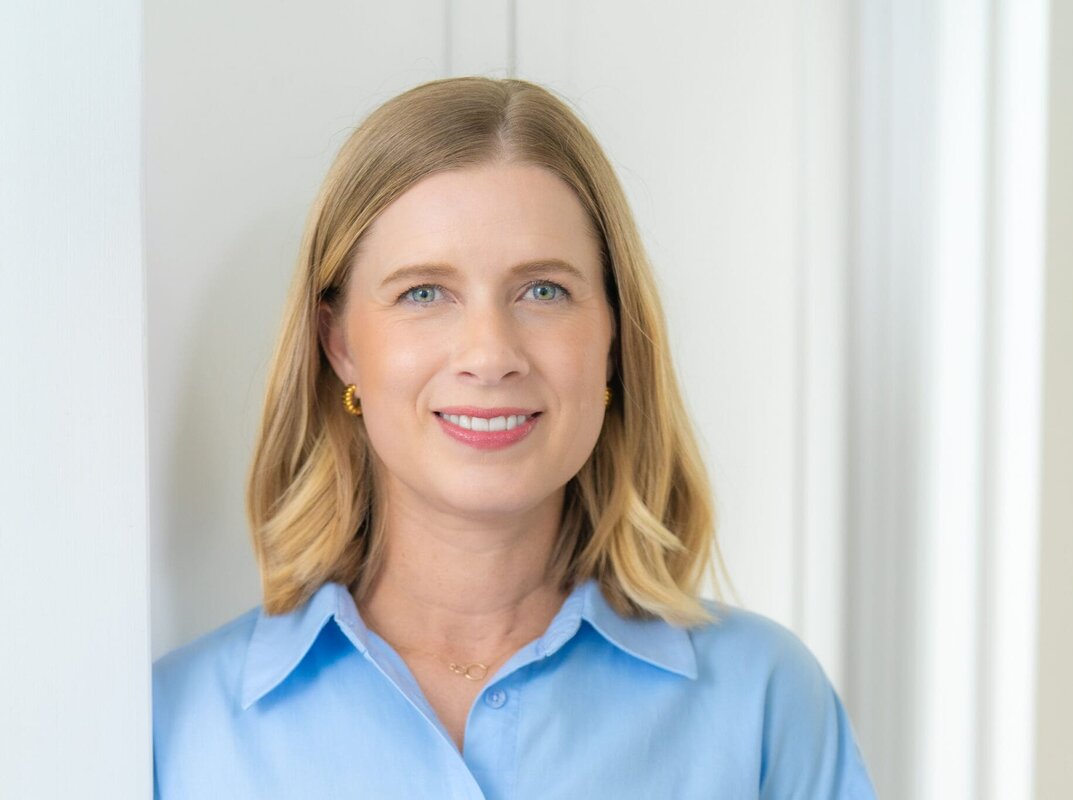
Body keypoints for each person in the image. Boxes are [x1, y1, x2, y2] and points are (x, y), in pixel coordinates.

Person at [152, 76, 876, 799]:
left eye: (544, 290)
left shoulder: (766, 704)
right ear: (338, 344)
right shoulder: (173, 730)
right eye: (424, 293)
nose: (490, 353)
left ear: (614, 339)